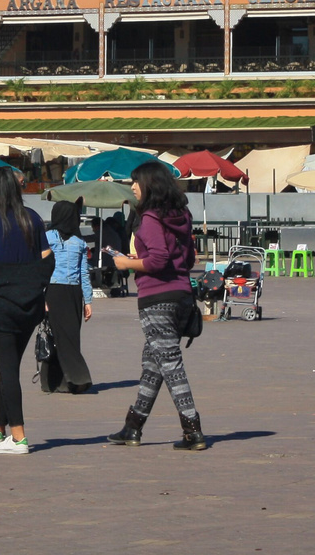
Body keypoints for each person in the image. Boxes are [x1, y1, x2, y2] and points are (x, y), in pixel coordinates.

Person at [107, 161, 207, 451]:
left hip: (157, 299)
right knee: (153, 363)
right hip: (182, 296)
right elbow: (187, 261)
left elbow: (157, 261)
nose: (133, 187)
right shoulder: (182, 217)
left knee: (171, 365)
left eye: (135, 182)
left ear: (149, 184)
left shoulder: (150, 218)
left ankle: (193, 430)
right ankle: (133, 427)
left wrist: (127, 262)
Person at [0, 168, 51, 455]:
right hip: (29, 305)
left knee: (8, 371)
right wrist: (30, 284)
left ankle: (19, 436)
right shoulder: (33, 218)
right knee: (10, 369)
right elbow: (47, 261)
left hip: (0, 304)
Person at [44, 200, 94, 394]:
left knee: (60, 336)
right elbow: (84, 274)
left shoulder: (47, 237)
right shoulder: (78, 241)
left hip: (56, 292)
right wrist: (87, 299)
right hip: (69, 293)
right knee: (66, 337)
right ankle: (79, 377)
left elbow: (83, 272)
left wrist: (88, 301)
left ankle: (54, 381)